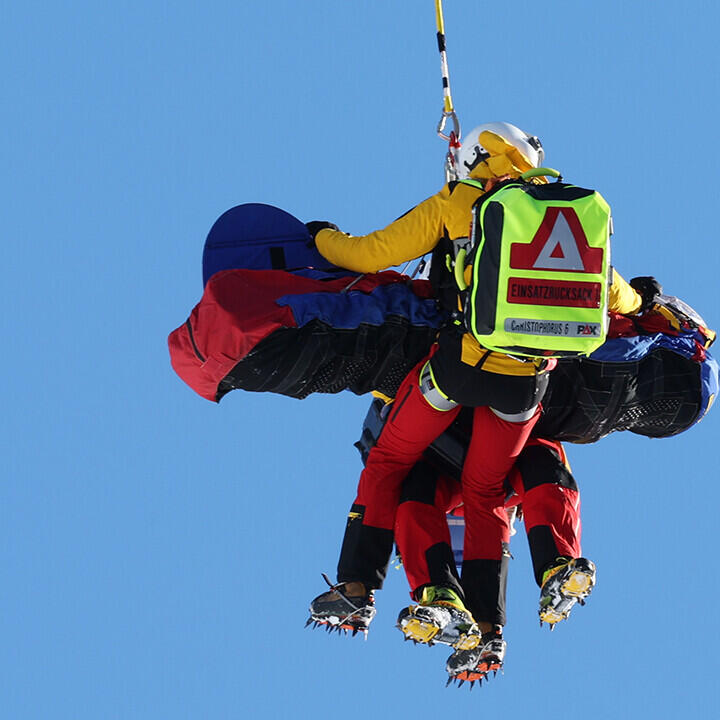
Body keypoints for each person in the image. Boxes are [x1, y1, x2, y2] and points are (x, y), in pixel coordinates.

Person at [306, 122, 654, 678]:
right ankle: (498, 620)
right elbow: (618, 295)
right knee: (487, 490)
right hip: (527, 388)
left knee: (391, 462)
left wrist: (320, 237)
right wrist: (646, 296)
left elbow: (370, 254)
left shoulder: (459, 201)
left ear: (474, 158)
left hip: (460, 369)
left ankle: (364, 589)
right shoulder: (567, 217)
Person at [310, 296, 716, 684]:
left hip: (457, 422)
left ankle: (416, 595)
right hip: (503, 421)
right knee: (509, 479)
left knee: (418, 489)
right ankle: (531, 582)